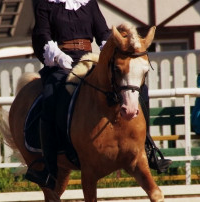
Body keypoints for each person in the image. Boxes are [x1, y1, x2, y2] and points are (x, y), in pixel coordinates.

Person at [27, 0, 170, 189]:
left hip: (89, 59)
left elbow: (103, 32)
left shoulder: (88, 3)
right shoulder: (46, 4)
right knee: (51, 96)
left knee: (140, 89)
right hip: (61, 63)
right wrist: (57, 55)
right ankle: (48, 167)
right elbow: (42, 35)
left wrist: (109, 49)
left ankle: (148, 147)